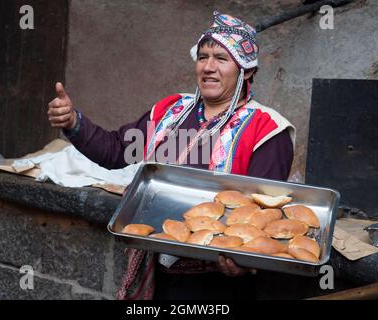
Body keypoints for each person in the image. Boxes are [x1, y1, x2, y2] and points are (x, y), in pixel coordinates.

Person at [47, 11, 295, 300]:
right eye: (203, 57)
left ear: (247, 70)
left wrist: (246, 262)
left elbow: (264, 214)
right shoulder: (172, 110)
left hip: (217, 282)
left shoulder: (267, 128)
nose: (208, 67)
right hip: (156, 265)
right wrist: (73, 123)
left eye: (221, 58)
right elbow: (116, 151)